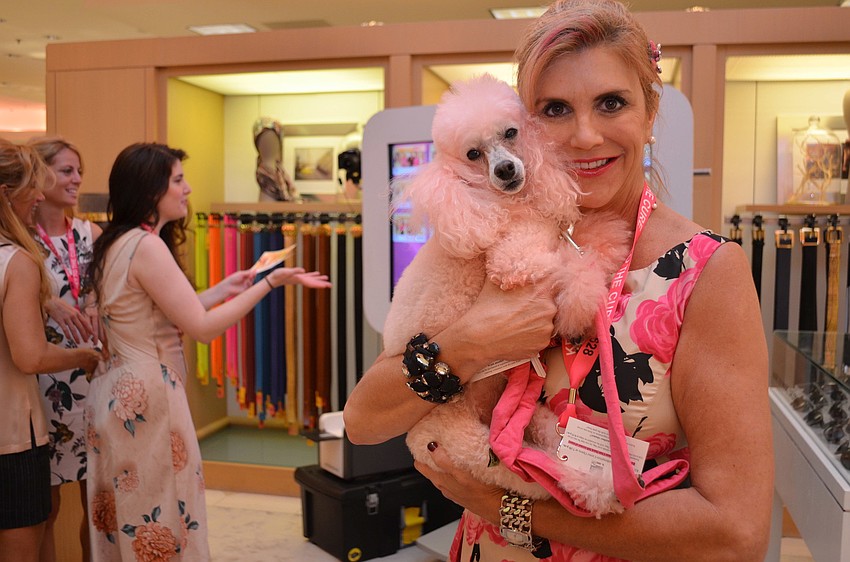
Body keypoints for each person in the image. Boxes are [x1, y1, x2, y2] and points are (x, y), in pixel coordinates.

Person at [343, 1, 773, 561]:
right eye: (555, 110)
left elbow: (735, 531)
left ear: (649, 111)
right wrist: (475, 340)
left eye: (611, 103)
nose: (586, 135)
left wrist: (504, 509)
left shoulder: (705, 272)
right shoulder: (492, 241)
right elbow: (364, 420)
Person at [84, 142, 329, 561]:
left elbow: (157, 311)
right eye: (178, 180)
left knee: (132, 510)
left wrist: (223, 288)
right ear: (150, 190)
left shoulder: (117, 242)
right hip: (150, 395)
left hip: (117, 391)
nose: (187, 189)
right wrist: (267, 285)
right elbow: (201, 328)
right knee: (163, 510)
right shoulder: (147, 247)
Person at [0, 140, 102, 562]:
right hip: (26, 404)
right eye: (63, 171)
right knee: (33, 521)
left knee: (89, 501)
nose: (42, 193)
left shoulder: (89, 233)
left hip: (72, 390)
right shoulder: (19, 255)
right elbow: (30, 355)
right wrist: (88, 356)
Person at [253, 117, 299, 202]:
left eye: (272, 140)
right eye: (265, 141)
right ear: (258, 145)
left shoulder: (280, 172)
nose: (269, 144)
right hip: (267, 208)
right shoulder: (263, 175)